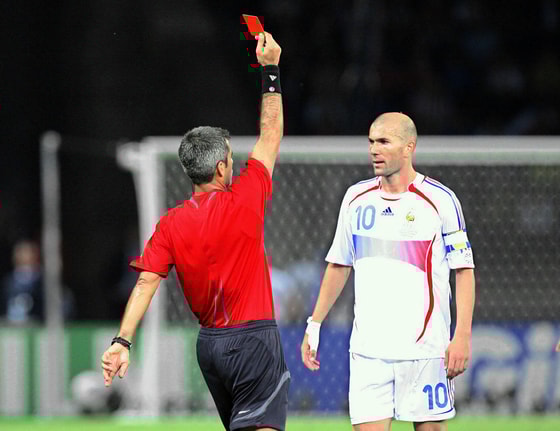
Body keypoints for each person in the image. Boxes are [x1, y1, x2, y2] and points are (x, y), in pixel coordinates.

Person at [101, 31, 289, 431]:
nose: (235, 164)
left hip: (210, 348)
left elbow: (146, 283)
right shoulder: (245, 199)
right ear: (221, 168)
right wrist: (270, 69)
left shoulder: (170, 223)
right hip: (252, 339)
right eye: (231, 159)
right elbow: (271, 133)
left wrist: (122, 341)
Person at [300, 113, 476, 431]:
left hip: (426, 351)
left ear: (409, 147)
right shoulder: (355, 198)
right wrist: (315, 324)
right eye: (371, 142)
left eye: (383, 141)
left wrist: (461, 335)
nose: (374, 150)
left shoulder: (440, 200)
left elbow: (463, 271)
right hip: (369, 352)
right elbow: (339, 263)